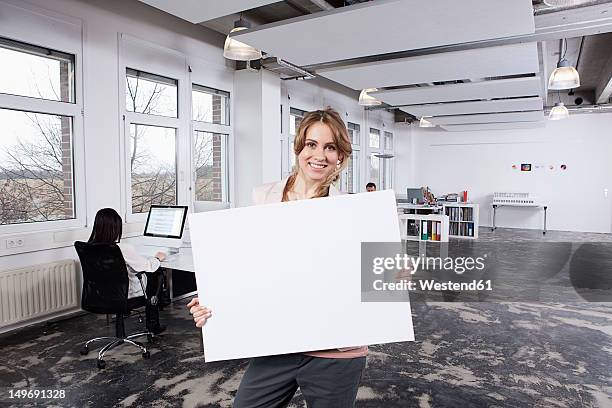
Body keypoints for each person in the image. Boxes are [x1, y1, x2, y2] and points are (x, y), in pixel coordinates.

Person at [187, 107, 367, 407]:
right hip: (277, 343)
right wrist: (210, 300)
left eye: (330, 147)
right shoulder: (264, 197)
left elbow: (369, 277)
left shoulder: (352, 210)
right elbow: (247, 268)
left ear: (341, 157)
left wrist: (391, 273)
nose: (319, 155)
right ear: (299, 147)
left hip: (336, 350)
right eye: (311, 144)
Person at [88, 208, 167, 334]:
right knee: (157, 273)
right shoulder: (122, 249)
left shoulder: (89, 248)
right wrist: (157, 258)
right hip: (125, 296)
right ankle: (153, 325)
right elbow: (148, 266)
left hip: (99, 295)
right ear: (116, 228)